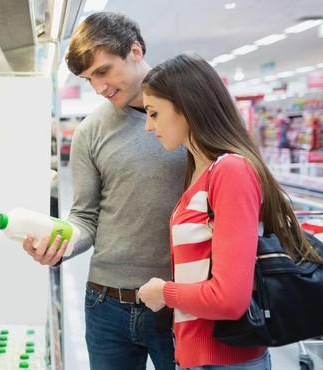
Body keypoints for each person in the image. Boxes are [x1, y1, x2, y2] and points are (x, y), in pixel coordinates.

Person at [21, 12, 186, 370]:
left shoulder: (190, 116)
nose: (98, 88)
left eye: (103, 71)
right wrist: (60, 246)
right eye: (88, 78)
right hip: (106, 303)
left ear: (135, 50)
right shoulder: (90, 132)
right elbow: (85, 216)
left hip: (178, 301)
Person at [138, 52, 323, 369]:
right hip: (200, 357)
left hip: (225, 360)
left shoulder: (230, 171)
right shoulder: (202, 170)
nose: (147, 125)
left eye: (154, 113)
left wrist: (165, 293)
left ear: (185, 107)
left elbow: (230, 299)